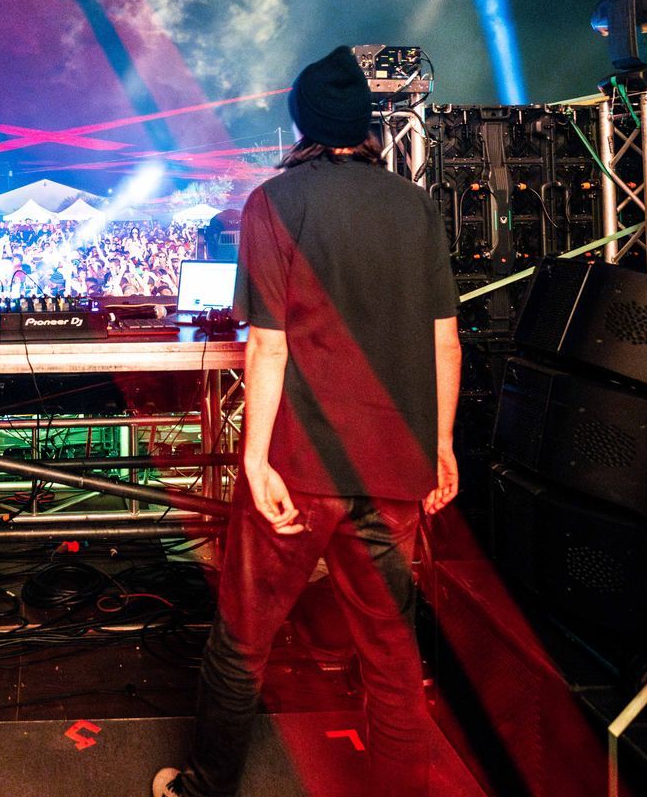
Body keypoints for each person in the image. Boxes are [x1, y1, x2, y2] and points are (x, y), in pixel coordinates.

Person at [153, 46, 462, 797]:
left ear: (302, 124)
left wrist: (255, 458)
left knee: (243, 640)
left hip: (299, 470)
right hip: (393, 467)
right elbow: (444, 339)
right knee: (392, 656)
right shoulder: (412, 204)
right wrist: (442, 444)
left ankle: (203, 789)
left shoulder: (273, 202)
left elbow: (267, 344)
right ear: (365, 125)